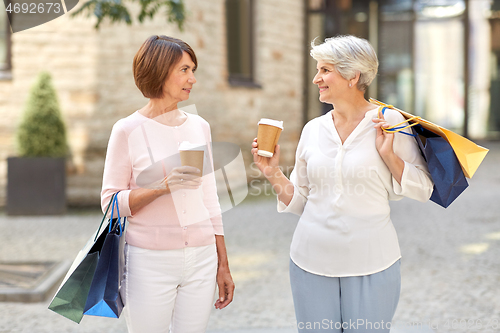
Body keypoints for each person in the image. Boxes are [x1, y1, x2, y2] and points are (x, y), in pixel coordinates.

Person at [251, 35, 434, 332]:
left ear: (353, 76)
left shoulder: (390, 122)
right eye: (318, 69)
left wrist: (389, 155)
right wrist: (272, 173)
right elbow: (302, 202)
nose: (316, 78)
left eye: (325, 70)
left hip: (372, 265)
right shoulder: (313, 130)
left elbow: (425, 188)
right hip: (309, 263)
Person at [101, 35, 234, 333]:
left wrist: (222, 263)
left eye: (193, 70)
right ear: (160, 71)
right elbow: (109, 203)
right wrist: (161, 188)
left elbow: (210, 199)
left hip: (202, 258)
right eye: (184, 70)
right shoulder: (126, 130)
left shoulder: (200, 126)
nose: (193, 79)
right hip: (149, 261)